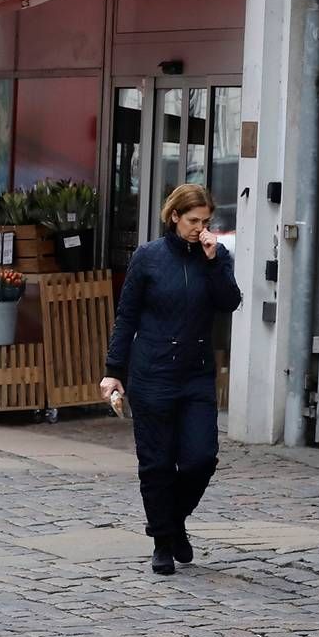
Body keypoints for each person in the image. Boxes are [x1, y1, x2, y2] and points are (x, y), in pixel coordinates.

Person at [100, 184, 243, 575]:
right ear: (174, 216)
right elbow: (126, 316)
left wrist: (214, 261)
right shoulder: (148, 258)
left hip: (195, 373)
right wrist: (114, 371)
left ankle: (172, 522)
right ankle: (163, 541)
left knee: (200, 459)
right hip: (153, 371)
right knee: (157, 463)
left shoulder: (216, 257)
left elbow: (230, 302)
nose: (200, 228)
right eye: (193, 220)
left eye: (206, 221)